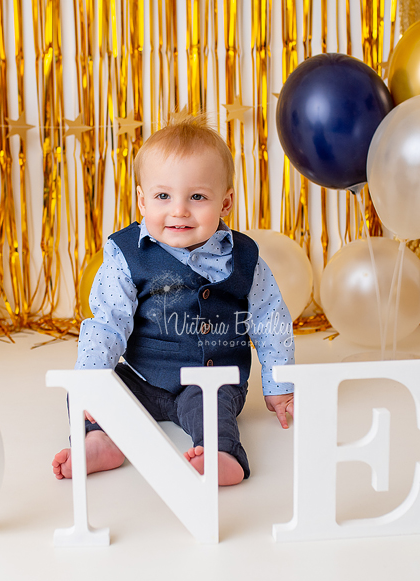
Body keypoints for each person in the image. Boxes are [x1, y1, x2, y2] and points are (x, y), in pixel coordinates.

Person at [52, 113, 295, 486]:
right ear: (142, 201)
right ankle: (101, 439)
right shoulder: (126, 254)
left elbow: (269, 319)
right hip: (142, 376)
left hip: (210, 379)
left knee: (214, 408)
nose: (179, 210)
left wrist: (279, 384)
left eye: (197, 197)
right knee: (96, 387)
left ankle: (220, 455)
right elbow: (107, 322)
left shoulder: (243, 257)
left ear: (226, 203)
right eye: (163, 196)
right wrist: (92, 382)